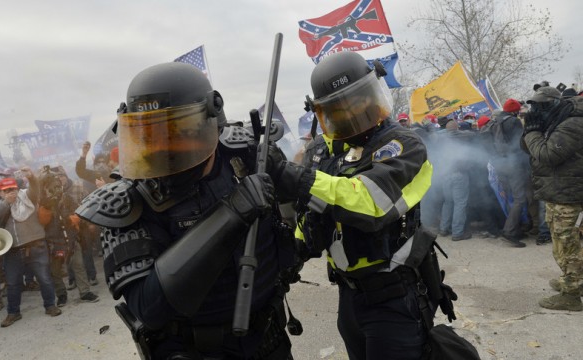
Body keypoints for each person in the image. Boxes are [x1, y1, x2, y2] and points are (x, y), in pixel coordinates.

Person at [76, 62, 299, 359]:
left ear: (210, 123)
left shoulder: (244, 154)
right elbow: (149, 306)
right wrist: (232, 214)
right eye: (151, 137)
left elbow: (301, 196)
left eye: (177, 133)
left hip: (271, 340)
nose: (165, 148)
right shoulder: (127, 200)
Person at [266, 52, 455, 359]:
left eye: (360, 100)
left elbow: (371, 202)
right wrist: (288, 258)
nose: (354, 112)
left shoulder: (405, 145)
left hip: (395, 299)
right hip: (349, 295)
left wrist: (297, 179)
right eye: (340, 108)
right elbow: (309, 217)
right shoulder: (319, 150)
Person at [521, 86, 583, 311]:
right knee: (560, 242)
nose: (539, 109)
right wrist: (531, 128)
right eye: (536, 105)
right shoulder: (558, 119)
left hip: (569, 194)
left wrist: (532, 132)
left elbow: (548, 154)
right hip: (557, 192)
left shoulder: (573, 123)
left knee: (568, 244)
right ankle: (572, 280)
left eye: (543, 105)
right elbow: (528, 148)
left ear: (557, 103)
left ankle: (572, 295)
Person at [0, 171, 61, 328]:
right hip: (12, 251)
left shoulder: (28, 197)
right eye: (6, 191)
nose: (10, 192)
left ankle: (50, 305)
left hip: (36, 246)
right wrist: (6, 203)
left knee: (44, 278)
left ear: (17, 189)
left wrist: (32, 177)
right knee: (12, 283)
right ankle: (13, 312)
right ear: (0, 192)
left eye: (13, 189)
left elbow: (35, 189)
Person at [37, 167, 99, 307]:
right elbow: (42, 222)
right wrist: (46, 207)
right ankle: (61, 295)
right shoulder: (42, 203)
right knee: (55, 272)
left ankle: (85, 292)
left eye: (57, 185)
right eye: (52, 186)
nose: (56, 189)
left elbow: (79, 212)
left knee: (79, 265)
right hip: (53, 242)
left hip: (70, 238)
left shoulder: (67, 198)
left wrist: (72, 219)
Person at [491, 98, 529, 247]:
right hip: (513, 164)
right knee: (520, 199)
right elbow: (521, 143)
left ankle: (513, 226)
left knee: (509, 197)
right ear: (514, 111)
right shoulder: (513, 122)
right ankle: (510, 230)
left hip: (500, 164)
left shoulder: (494, 122)